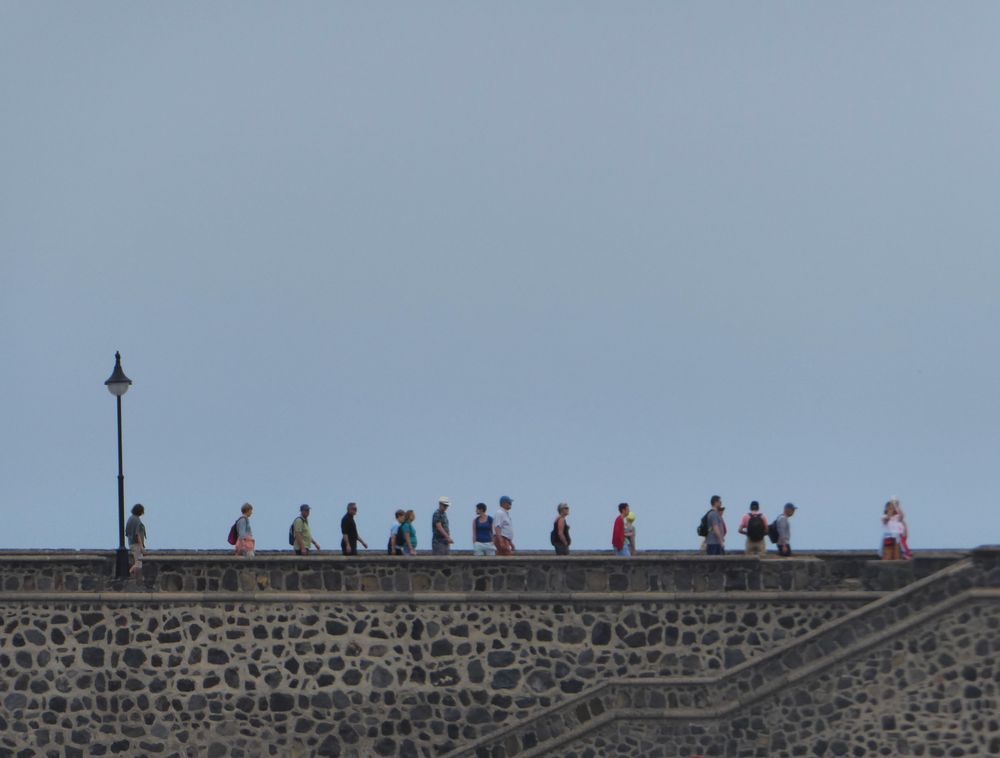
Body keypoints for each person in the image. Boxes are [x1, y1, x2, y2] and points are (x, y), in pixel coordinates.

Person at [124, 503, 146, 577]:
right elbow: (138, 534)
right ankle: (128, 574)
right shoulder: (137, 520)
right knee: (139, 563)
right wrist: (141, 546)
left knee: (138, 562)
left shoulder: (130, 519)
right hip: (136, 544)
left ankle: (130, 575)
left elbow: (126, 533)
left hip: (131, 543)